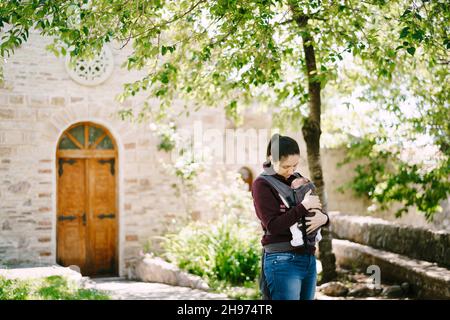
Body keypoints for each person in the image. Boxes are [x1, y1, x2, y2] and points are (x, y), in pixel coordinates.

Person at [252, 134, 330, 300]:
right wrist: (303, 207)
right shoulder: (262, 184)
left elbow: (315, 207)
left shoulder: (298, 180)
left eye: (295, 165)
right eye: (286, 166)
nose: (291, 171)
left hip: (308, 258)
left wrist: (324, 219)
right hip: (282, 260)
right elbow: (273, 225)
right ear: (270, 159)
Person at [289, 177, 322, 247]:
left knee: (292, 222)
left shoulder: (299, 192)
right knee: (318, 214)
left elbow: (297, 203)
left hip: (304, 219)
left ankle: (298, 239)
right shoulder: (312, 189)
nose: (292, 186)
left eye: (293, 185)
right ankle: (318, 234)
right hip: (315, 215)